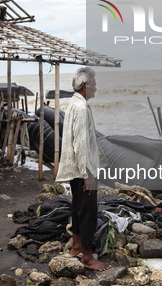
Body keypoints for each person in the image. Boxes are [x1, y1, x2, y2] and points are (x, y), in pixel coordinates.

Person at [55, 67, 110, 272]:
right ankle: (88, 257)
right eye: (94, 84)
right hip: (82, 169)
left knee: (78, 207)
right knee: (88, 211)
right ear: (85, 85)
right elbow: (80, 142)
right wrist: (88, 174)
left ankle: (76, 246)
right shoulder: (81, 108)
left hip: (74, 167)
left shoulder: (74, 103)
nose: (96, 87)